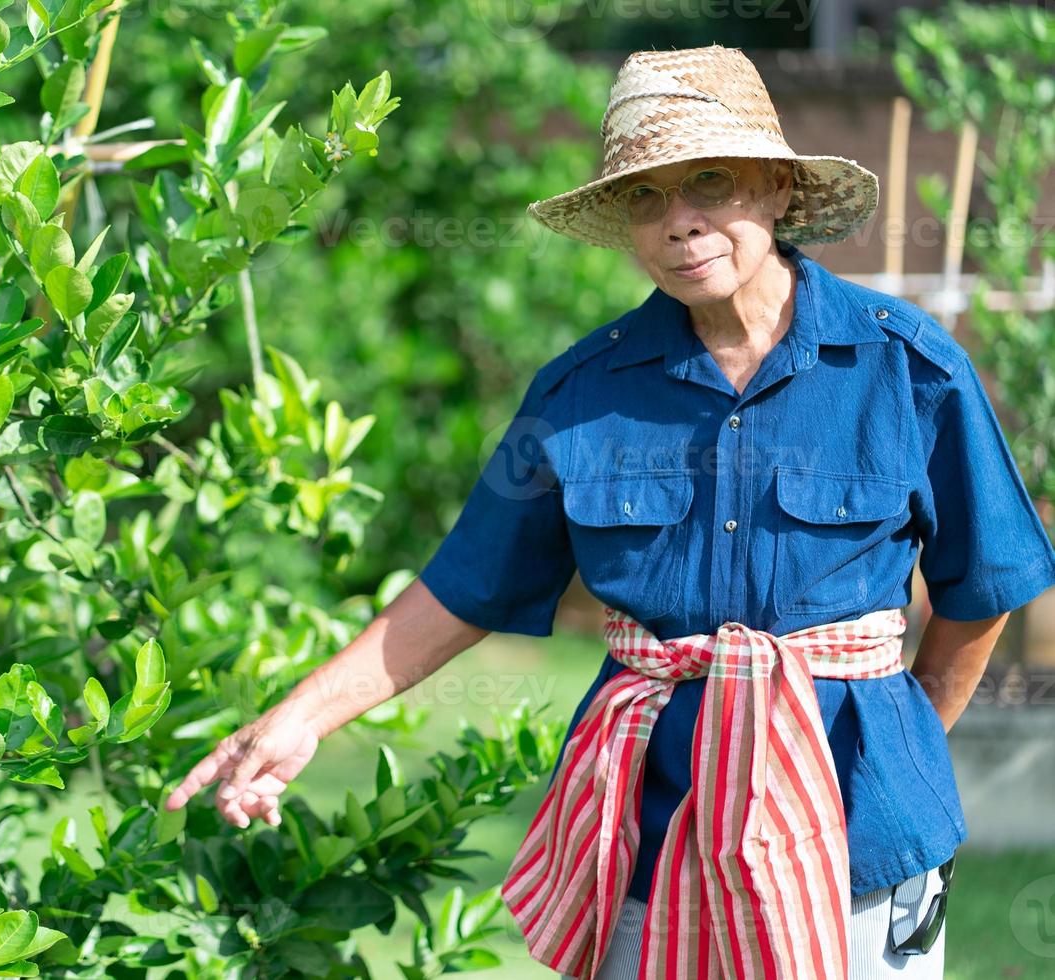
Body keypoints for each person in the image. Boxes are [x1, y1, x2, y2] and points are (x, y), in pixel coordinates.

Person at [163, 43, 1055, 980]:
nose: (680, 222)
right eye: (645, 196)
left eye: (709, 180)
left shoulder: (905, 367)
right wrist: (300, 717)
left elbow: (982, 585)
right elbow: (466, 587)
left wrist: (896, 737)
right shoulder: (579, 393)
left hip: (856, 844)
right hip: (647, 838)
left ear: (777, 189)